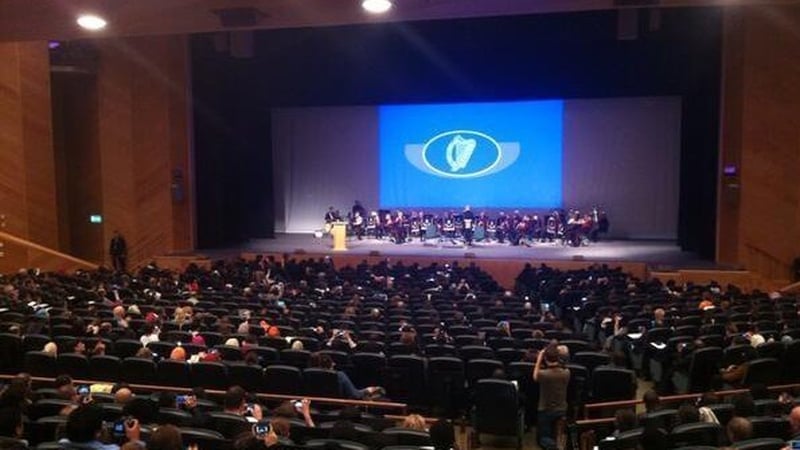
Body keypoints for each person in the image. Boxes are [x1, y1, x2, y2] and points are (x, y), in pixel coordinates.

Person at [533, 344, 570, 450]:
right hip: (561, 408)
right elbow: (563, 364)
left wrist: (539, 359)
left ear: (545, 358)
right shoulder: (567, 373)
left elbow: (535, 376)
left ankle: (554, 447)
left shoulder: (544, 374)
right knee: (557, 435)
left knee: (543, 438)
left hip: (545, 409)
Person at [59, 404, 142, 449]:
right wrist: (134, 440)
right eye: (103, 423)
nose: (104, 425)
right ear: (98, 433)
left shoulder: (59, 444)